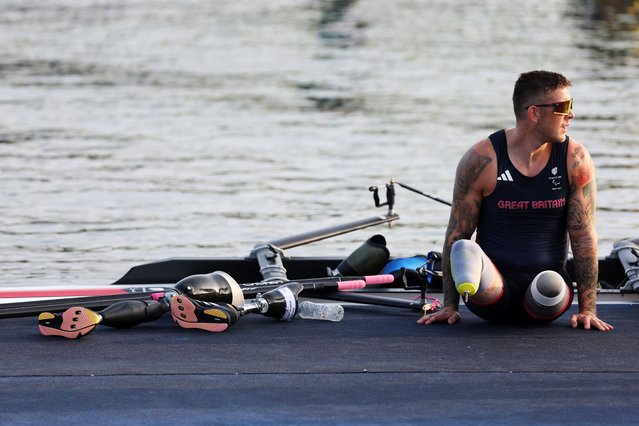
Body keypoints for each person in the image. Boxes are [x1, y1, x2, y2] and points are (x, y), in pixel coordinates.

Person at [418, 70, 613, 331]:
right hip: (492, 290)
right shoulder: (481, 159)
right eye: (563, 107)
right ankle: (470, 284)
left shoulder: (574, 158)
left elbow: (583, 236)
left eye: (571, 106)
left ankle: (544, 288)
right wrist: (450, 306)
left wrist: (587, 310)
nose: (571, 115)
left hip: (546, 295)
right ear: (534, 113)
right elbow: (456, 233)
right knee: (462, 246)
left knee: (551, 283)